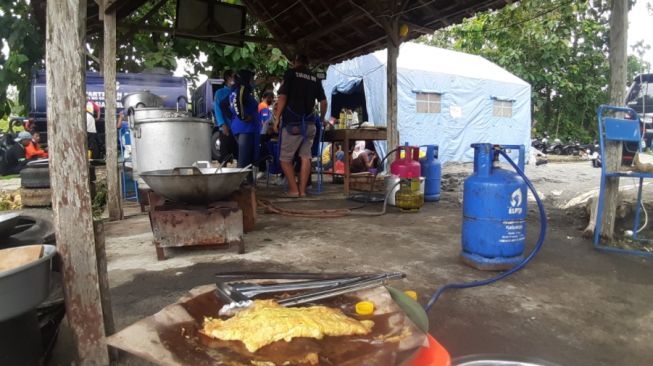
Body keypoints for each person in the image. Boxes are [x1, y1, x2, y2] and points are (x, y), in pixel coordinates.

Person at [273, 54, 327, 197]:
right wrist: (321, 118)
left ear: (295, 62)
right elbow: (323, 102)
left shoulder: (291, 73)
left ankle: (293, 189)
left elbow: (282, 97)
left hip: (293, 124)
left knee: (284, 159)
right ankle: (302, 191)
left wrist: (277, 118)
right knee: (305, 157)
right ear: (307, 63)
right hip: (310, 124)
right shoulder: (315, 78)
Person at [228, 69, 260, 179]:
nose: (253, 81)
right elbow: (237, 101)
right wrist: (243, 117)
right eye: (252, 79)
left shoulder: (235, 90)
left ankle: (249, 182)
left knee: (247, 157)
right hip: (245, 128)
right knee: (244, 158)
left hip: (241, 127)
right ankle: (240, 184)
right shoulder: (242, 89)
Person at [213, 70, 237, 163]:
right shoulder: (220, 93)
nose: (236, 79)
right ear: (228, 78)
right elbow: (217, 110)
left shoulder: (237, 91)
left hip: (237, 129)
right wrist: (223, 125)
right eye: (234, 76)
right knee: (225, 157)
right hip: (226, 129)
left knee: (237, 156)